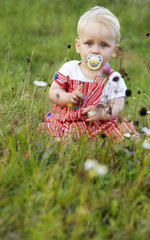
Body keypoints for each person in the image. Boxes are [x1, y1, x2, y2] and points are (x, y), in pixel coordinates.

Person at [39, 6, 139, 141]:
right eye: (89, 43)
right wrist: (68, 97)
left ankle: (124, 142)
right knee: (55, 130)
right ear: (78, 45)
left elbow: (117, 107)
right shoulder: (70, 69)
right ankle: (65, 139)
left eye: (103, 45)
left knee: (125, 131)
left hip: (101, 124)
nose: (95, 51)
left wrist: (101, 112)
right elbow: (53, 92)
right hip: (70, 119)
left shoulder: (113, 78)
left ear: (114, 50)